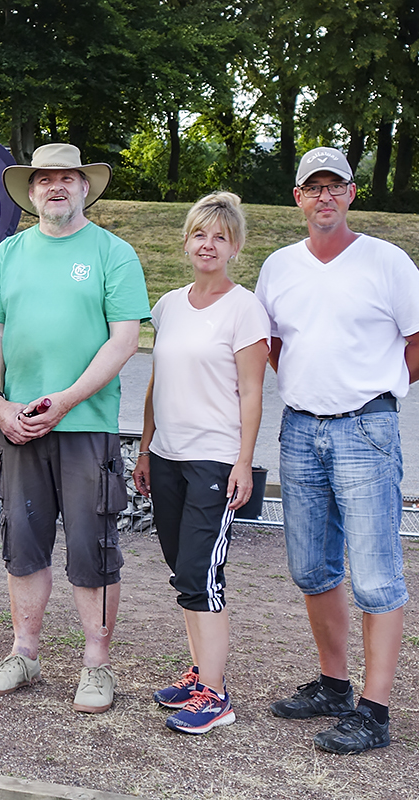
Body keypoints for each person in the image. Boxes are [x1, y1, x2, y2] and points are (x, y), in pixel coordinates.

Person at [256, 146, 419, 753]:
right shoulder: (279, 267)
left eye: (335, 185)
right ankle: (334, 685)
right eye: (313, 187)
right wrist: (311, 387)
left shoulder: (385, 261)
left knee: (375, 575)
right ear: (298, 197)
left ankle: (375, 709)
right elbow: (273, 345)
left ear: (351, 193)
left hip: (365, 429)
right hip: (300, 429)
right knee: (313, 569)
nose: (325, 197)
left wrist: (376, 387)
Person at [0, 143, 150, 712]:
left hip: (86, 425)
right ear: (31, 192)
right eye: (44, 179)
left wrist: (67, 400)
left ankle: (96, 664)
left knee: (93, 548)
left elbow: (125, 340)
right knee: (22, 544)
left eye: (67, 178)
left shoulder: (113, 253)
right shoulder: (10, 252)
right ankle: (24, 653)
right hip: (20, 425)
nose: (55, 187)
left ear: (83, 188)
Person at [131, 192, 269, 734]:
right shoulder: (168, 305)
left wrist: (243, 463)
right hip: (168, 457)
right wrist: (146, 447)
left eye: (219, 237)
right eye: (199, 235)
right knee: (182, 568)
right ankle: (199, 675)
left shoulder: (245, 309)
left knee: (200, 572)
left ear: (234, 247)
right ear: (186, 242)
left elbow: (252, 393)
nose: (207, 244)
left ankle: (216, 695)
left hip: (215, 460)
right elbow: (157, 383)